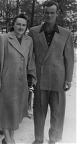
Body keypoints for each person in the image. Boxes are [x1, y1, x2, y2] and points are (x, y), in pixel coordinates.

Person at [28, 1, 74, 144]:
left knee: (57, 112)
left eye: (52, 12)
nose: (49, 15)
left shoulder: (66, 33)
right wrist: (31, 76)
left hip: (58, 79)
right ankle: (39, 138)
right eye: (46, 12)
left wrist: (68, 79)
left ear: (57, 14)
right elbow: (29, 56)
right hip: (40, 79)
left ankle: (53, 139)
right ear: (43, 13)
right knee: (39, 111)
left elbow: (69, 58)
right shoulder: (34, 31)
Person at [0, 13, 37, 144]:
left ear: (26, 27)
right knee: (5, 110)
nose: (21, 27)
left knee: (15, 111)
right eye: (18, 24)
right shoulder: (3, 38)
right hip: (7, 81)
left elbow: (30, 61)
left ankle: (9, 139)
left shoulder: (29, 41)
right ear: (13, 25)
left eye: (23, 25)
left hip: (21, 83)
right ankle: (10, 140)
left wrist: (33, 77)